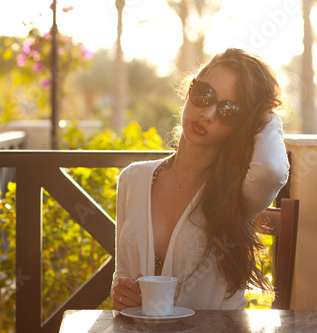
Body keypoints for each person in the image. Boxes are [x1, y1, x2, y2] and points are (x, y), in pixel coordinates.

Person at [111, 48, 290, 311]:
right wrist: (122, 292)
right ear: (188, 91)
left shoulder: (239, 191)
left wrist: (265, 114)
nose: (207, 114)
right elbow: (123, 273)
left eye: (229, 111)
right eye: (204, 94)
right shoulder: (132, 179)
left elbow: (272, 170)